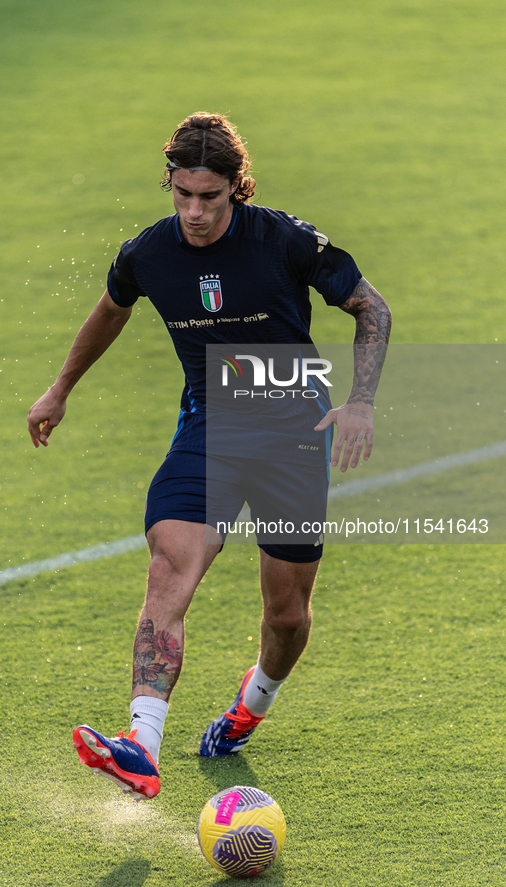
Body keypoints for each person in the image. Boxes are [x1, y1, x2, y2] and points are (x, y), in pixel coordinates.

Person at [27, 113, 392, 801]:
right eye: (182, 194)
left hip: (292, 428)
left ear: (236, 189)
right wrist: (60, 387)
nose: (194, 212)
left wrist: (362, 400)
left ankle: (252, 702)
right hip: (210, 424)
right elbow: (111, 308)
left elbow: (370, 308)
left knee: (285, 615)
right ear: (169, 182)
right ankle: (141, 743)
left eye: (210, 198)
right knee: (170, 567)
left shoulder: (283, 239)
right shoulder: (148, 254)